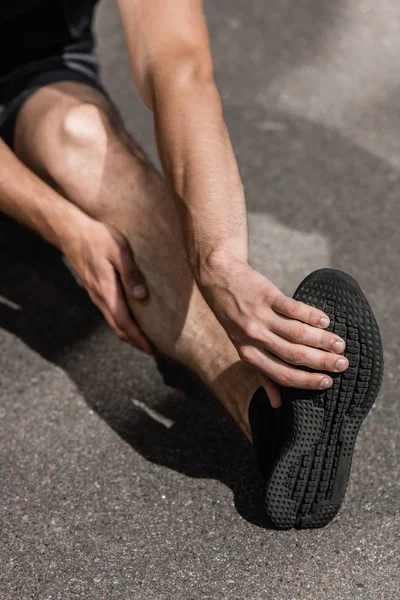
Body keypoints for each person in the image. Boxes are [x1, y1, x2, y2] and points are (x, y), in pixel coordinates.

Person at [0, 1, 382, 529]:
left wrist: (220, 262)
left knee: (82, 135)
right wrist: (67, 226)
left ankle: (270, 418)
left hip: (30, 71)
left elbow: (178, 64)